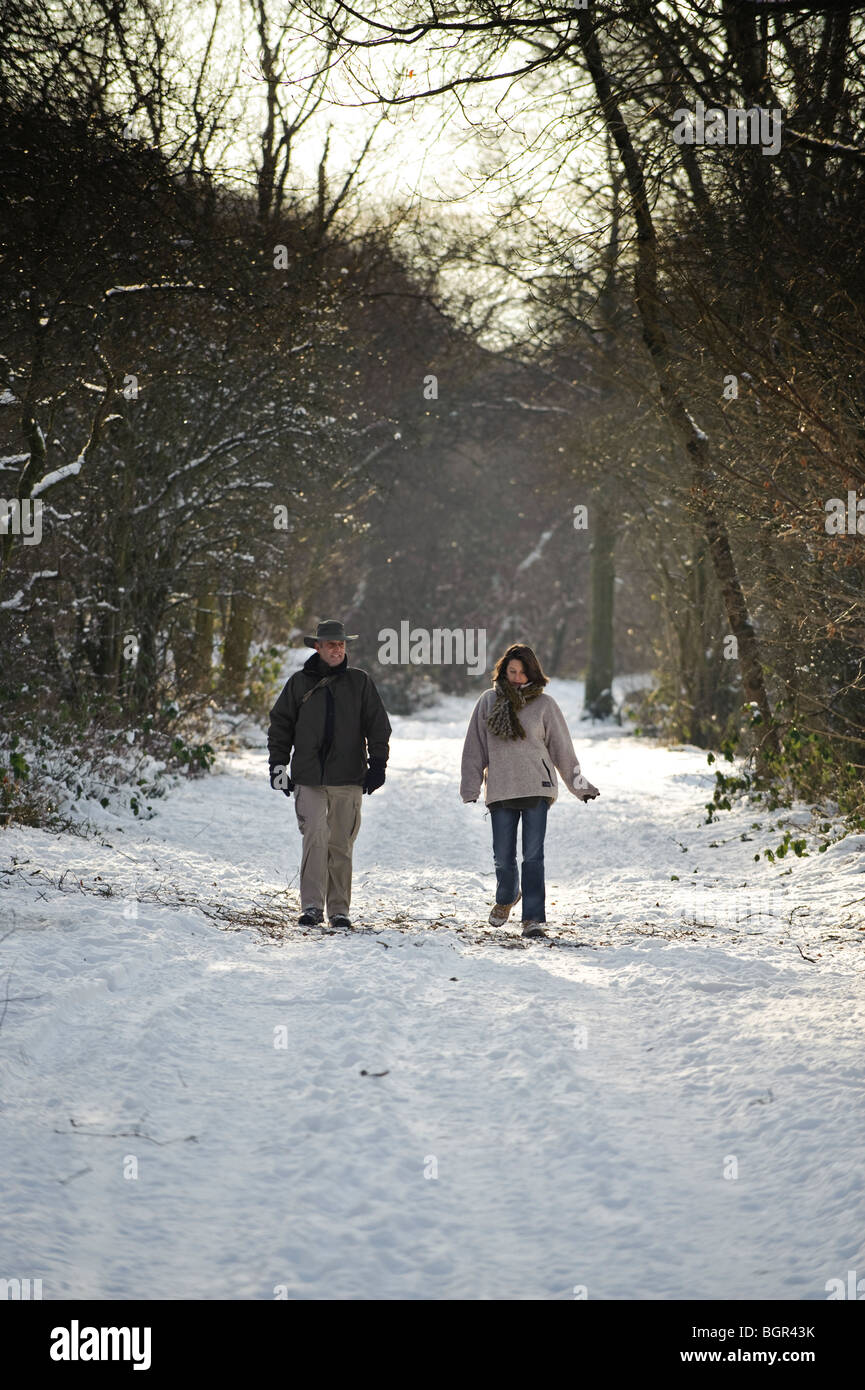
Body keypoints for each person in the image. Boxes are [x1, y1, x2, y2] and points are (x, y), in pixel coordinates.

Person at [460, 643, 599, 937]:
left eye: (523, 672)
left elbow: (562, 749)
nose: (518, 678)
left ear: (532, 673)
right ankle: (507, 896)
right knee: (503, 855)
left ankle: (533, 918)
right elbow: (474, 748)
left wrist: (580, 786)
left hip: (537, 787)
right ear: (503, 671)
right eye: (512, 671)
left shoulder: (545, 705)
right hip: (500, 788)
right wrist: (470, 786)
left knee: (533, 856)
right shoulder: (488, 701)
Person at [268, 619, 391, 928]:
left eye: (341, 644)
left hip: (349, 776)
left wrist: (378, 764)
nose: (337, 649)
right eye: (331, 644)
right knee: (314, 839)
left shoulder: (360, 682)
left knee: (341, 844)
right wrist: (278, 766)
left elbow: (378, 726)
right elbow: (280, 725)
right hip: (308, 778)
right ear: (317, 647)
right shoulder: (298, 683)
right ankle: (311, 907)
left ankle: (339, 910)